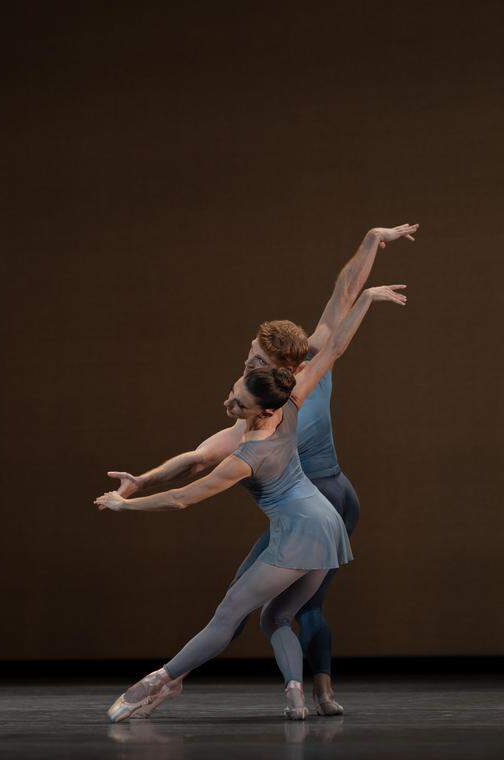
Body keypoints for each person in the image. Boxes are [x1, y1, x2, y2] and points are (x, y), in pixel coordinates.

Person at [105, 224, 417, 716]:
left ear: (274, 372)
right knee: (281, 612)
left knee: (237, 610)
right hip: (330, 508)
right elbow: (339, 313)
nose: (245, 368)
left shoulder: (250, 443)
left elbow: (193, 477)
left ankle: (162, 681)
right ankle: (306, 694)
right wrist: (372, 246)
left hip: (312, 510)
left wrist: (130, 498)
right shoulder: (298, 390)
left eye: (253, 364)